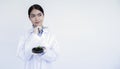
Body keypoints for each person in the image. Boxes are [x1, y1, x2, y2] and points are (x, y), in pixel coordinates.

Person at [16, 4, 59, 69]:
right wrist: (34, 35)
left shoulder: (51, 35)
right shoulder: (24, 35)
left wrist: (42, 52)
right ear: (29, 18)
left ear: (43, 16)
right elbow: (23, 56)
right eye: (33, 16)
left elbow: (54, 56)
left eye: (39, 15)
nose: (37, 18)